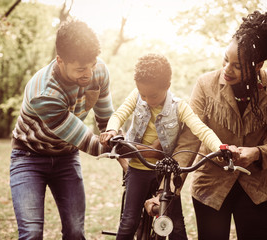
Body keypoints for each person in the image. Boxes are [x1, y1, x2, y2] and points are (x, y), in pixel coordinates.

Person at [145, 11, 267, 239]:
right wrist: (165, 191)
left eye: (237, 66)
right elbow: (189, 139)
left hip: (257, 188)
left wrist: (256, 153)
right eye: (226, 60)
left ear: (258, 66)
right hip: (211, 187)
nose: (227, 70)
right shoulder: (205, 85)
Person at [100, 53, 235, 240]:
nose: (146, 99)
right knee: (129, 221)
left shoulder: (179, 107)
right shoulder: (137, 97)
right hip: (137, 169)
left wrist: (221, 148)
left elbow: (201, 130)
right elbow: (118, 115)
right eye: (142, 94)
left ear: (167, 87)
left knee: (176, 227)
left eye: (152, 95)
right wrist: (112, 130)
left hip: (165, 173)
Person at [10, 19, 114, 239]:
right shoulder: (44, 92)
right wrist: (119, 151)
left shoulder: (99, 71)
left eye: (92, 65)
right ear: (60, 61)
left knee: (76, 231)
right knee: (31, 233)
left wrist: (116, 138)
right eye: (80, 69)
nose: (88, 73)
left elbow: (106, 118)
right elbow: (88, 142)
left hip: (66, 156)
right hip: (29, 157)